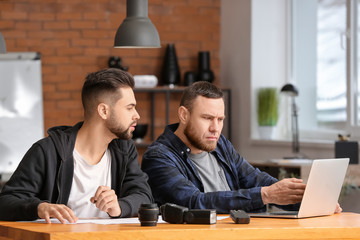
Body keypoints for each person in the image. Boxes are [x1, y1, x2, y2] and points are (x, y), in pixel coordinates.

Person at [141, 81, 342, 214]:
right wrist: (265, 195)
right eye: (207, 118)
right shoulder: (159, 157)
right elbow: (193, 202)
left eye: (220, 119)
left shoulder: (220, 146)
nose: (215, 128)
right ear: (184, 115)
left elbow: (255, 179)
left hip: (238, 231)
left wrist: (310, 202)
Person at [0, 68, 153, 223]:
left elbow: (144, 196)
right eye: (129, 107)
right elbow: (5, 202)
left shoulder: (124, 150)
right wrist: (40, 207)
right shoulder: (47, 151)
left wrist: (120, 206)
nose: (137, 115)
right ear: (103, 111)